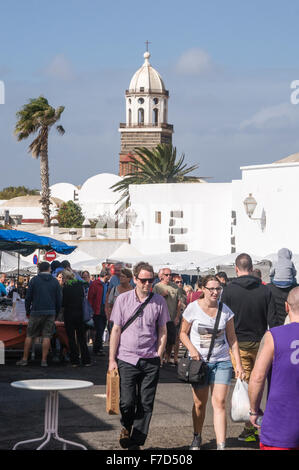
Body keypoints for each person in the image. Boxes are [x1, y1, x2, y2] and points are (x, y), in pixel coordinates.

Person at [109, 261, 169, 450]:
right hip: (126, 358)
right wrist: (111, 359)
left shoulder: (159, 301)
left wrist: (159, 355)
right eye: (143, 280)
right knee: (127, 402)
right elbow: (116, 329)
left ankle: (136, 442)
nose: (147, 284)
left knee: (146, 403)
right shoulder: (123, 300)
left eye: (150, 280)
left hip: (150, 358)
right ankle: (126, 426)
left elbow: (163, 330)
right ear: (135, 279)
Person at [180, 275, 244, 450]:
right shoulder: (192, 309)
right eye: (212, 289)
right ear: (203, 289)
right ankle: (197, 435)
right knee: (200, 404)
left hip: (222, 362)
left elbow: (232, 339)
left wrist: (238, 364)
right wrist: (192, 350)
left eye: (218, 289)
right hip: (199, 364)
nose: (215, 292)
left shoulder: (226, 311)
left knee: (220, 402)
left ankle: (221, 445)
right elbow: (183, 333)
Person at [221, 253, 277, 443]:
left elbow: (223, 320)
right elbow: (273, 321)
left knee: (244, 385)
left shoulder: (228, 290)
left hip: (238, 343)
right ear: (252, 268)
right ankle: (261, 423)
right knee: (260, 384)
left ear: (236, 269)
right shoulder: (265, 290)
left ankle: (250, 427)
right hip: (262, 342)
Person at [248, 286, 299, 450]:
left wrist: (253, 410)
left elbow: (257, 377)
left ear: (286, 306)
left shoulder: (274, 336)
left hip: (281, 424)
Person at [16, 262, 62, 367]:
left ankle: (24, 359)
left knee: (30, 335)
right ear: (49, 269)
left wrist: (27, 310)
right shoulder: (55, 282)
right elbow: (59, 299)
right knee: (47, 336)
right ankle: (44, 360)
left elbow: (28, 298)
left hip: (36, 311)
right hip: (50, 312)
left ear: (40, 269)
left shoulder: (34, 280)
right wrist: (57, 312)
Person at [62, 269, 91, 367]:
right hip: (79, 314)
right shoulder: (79, 285)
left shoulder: (66, 287)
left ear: (66, 278)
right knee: (81, 338)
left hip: (69, 314)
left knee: (71, 338)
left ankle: (74, 361)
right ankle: (86, 360)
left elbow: (64, 303)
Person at [153, 267, 182, 365]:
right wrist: (161, 296)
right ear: (161, 276)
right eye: (166, 275)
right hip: (160, 317)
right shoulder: (157, 286)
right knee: (160, 339)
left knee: (171, 339)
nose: (169, 277)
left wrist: (177, 316)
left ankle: (167, 357)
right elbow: (152, 302)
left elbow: (179, 302)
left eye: (170, 275)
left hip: (171, 317)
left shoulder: (175, 287)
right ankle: (159, 357)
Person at [88, 273, 106, 356]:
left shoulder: (106, 284)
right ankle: (97, 348)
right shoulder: (95, 284)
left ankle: (98, 347)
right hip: (97, 310)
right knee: (99, 329)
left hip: (105, 310)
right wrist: (90, 311)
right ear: (106, 275)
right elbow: (90, 298)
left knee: (101, 330)